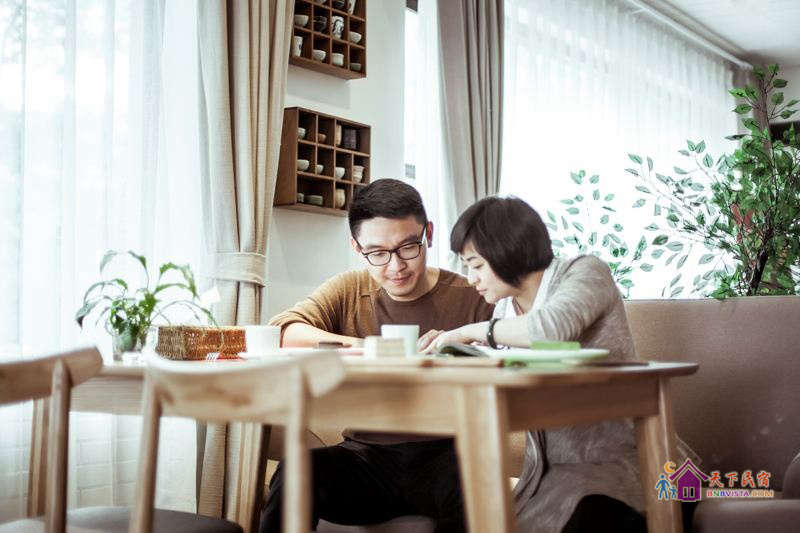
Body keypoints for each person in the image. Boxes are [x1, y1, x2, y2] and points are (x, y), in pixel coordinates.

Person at [259, 178, 494, 533]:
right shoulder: (350, 289)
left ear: (428, 234)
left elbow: (516, 345)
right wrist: (367, 347)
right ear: (357, 247)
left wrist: (466, 345)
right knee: (296, 471)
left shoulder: (471, 296)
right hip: (367, 457)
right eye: (378, 253)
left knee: (478, 487)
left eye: (408, 247)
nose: (396, 266)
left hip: (448, 455)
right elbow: (284, 330)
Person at [419, 196, 647, 533]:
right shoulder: (506, 309)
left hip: (621, 466)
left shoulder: (585, 272)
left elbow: (550, 329)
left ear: (506, 251)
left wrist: (468, 332)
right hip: (551, 474)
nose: (470, 278)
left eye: (476, 265)